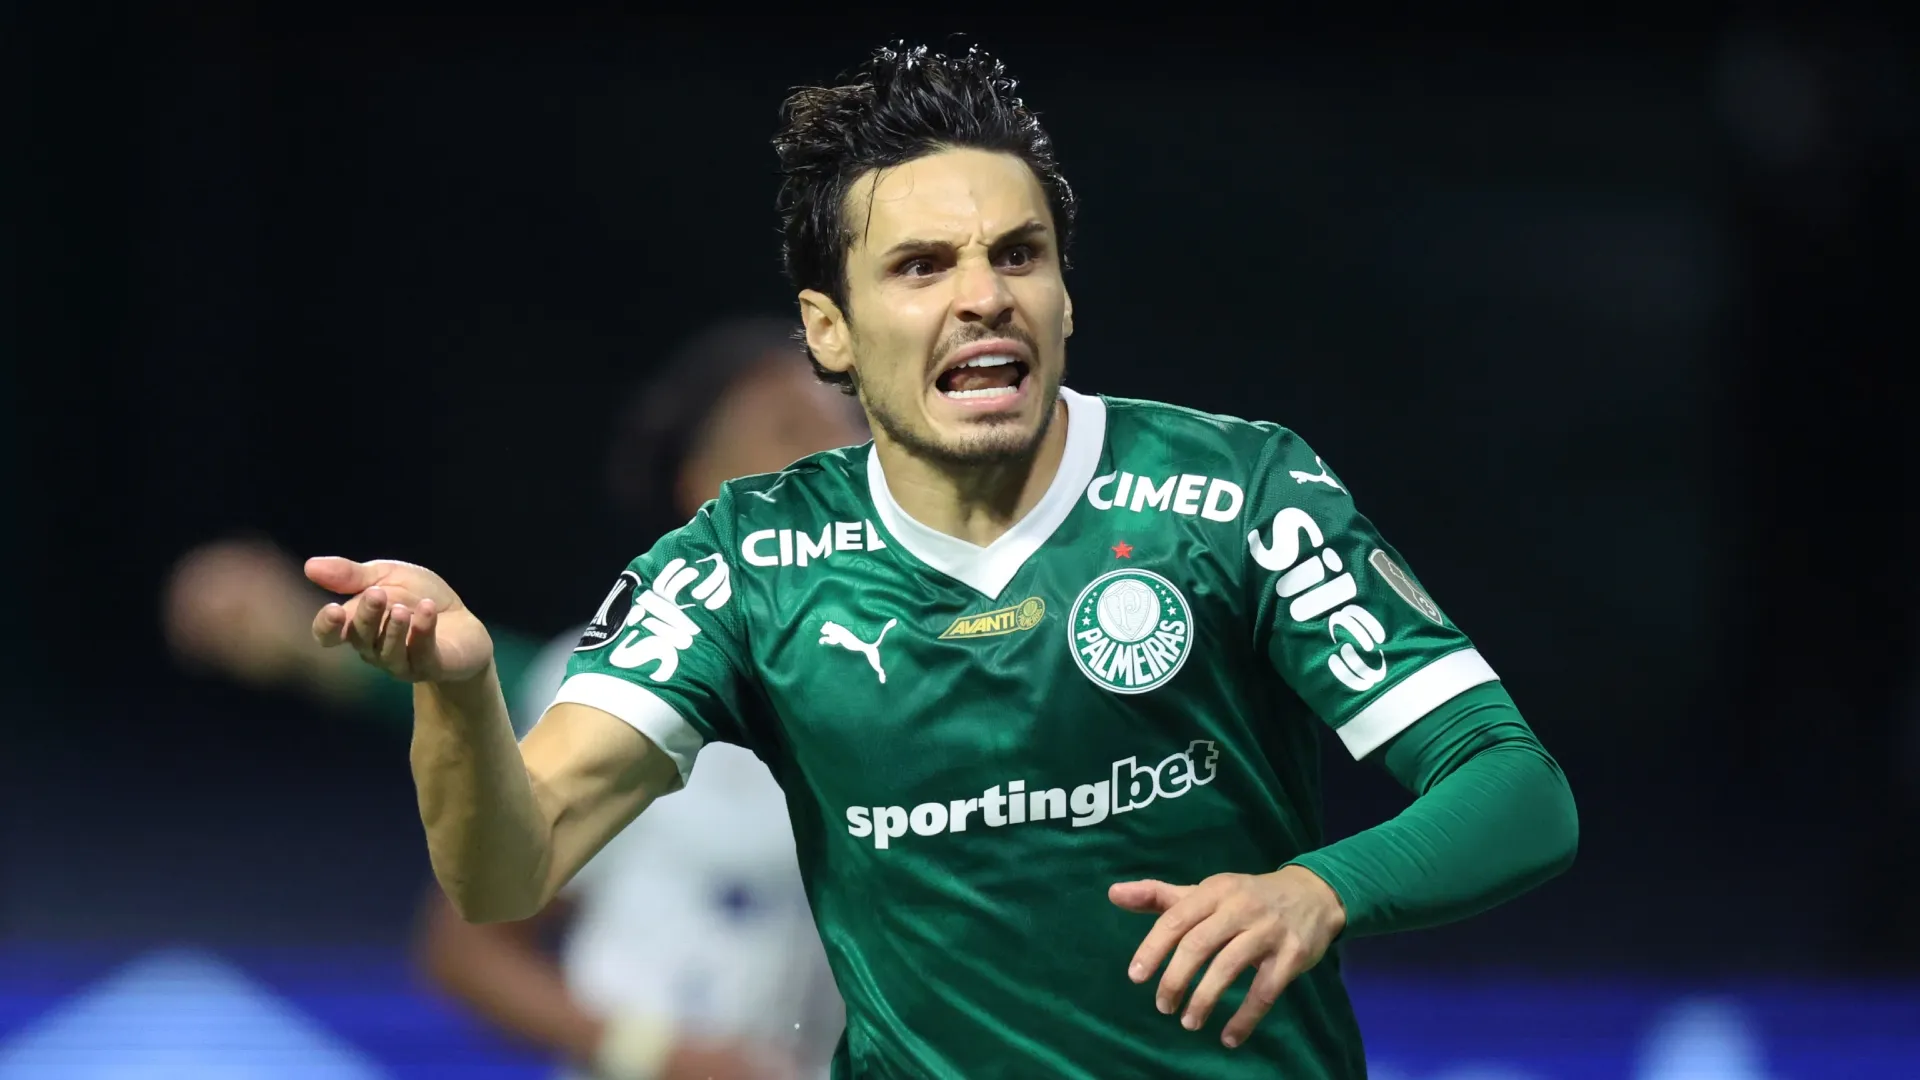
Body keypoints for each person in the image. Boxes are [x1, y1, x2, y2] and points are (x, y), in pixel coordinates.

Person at [306, 43, 1579, 1079]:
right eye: (921, 267)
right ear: (831, 331)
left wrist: (1319, 888)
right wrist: (457, 693)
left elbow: (1516, 789)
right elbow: (503, 875)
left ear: (1065, 295)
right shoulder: (748, 565)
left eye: (1018, 255)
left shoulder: (1233, 494)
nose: (984, 296)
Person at [165, 317, 864, 1080]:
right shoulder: (625, 691)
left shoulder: (920, 676)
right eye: (789, 431)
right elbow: (471, 929)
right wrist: (657, 1055)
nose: (834, 454)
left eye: (853, 426)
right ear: (703, 487)